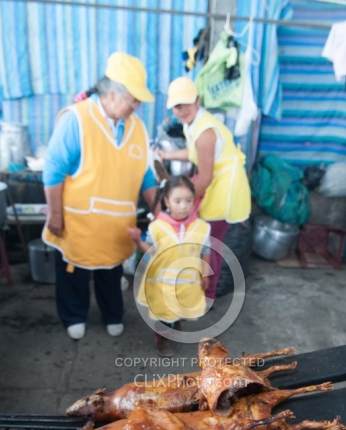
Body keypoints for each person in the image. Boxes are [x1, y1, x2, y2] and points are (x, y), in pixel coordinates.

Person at [42, 52, 157, 340]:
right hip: (78, 224)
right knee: (74, 272)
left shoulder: (138, 128)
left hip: (116, 229)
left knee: (110, 272)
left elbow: (146, 175)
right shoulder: (77, 119)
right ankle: (74, 315)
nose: (137, 105)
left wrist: (161, 213)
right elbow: (53, 170)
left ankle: (112, 315)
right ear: (111, 92)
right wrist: (55, 214)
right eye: (133, 98)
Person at [157, 76, 251, 303]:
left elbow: (206, 177)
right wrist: (166, 155)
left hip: (224, 188)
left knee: (210, 245)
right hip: (215, 183)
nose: (182, 110)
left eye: (186, 104)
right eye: (177, 106)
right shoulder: (193, 124)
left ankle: (207, 296)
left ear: (197, 101)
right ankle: (198, 289)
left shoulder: (205, 131)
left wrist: (178, 203)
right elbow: (193, 153)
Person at [128, 175, 210, 357]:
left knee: (181, 306)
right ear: (167, 202)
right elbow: (150, 250)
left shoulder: (201, 227)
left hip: (187, 282)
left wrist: (205, 275)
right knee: (163, 313)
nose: (183, 206)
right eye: (178, 201)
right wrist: (137, 240)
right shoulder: (157, 227)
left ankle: (175, 321)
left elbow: (205, 251)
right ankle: (162, 339)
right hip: (162, 283)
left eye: (188, 200)